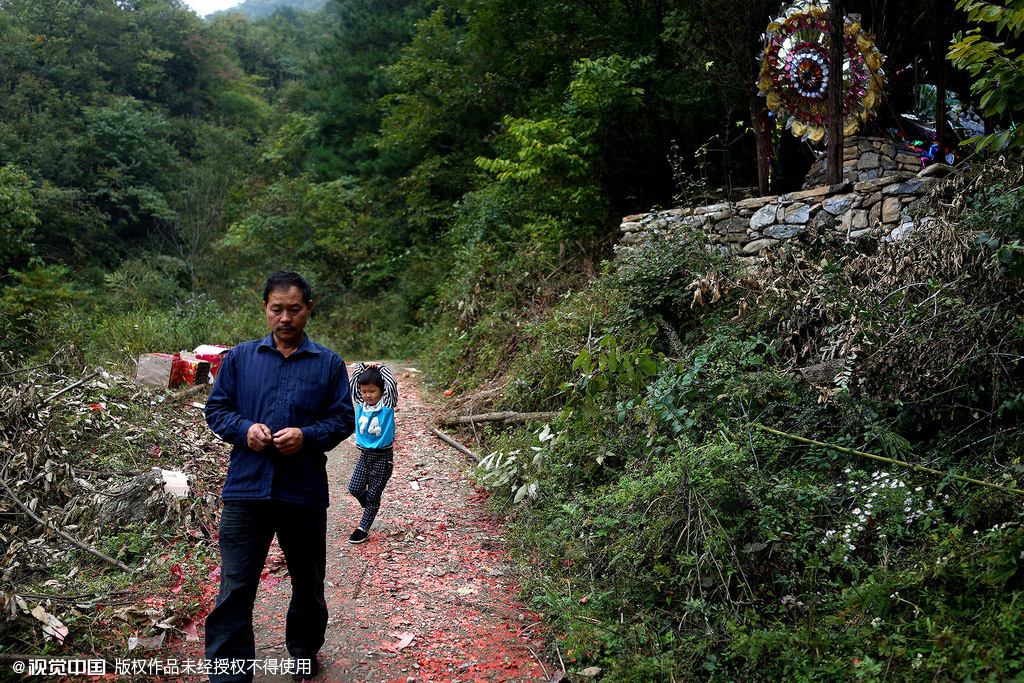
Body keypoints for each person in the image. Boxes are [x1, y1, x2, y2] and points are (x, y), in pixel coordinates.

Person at [203, 271, 355, 683]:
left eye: (293, 309)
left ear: (308, 309)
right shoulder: (239, 358)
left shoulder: (328, 364)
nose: (285, 318)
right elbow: (216, 409)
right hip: (246, 490)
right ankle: (229, 673)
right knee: (235, 587)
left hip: (302, 492)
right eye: (277, 309)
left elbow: (343, 419)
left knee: (307, 583)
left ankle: (304, 653)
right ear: (265, 310)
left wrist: (307, 436)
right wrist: (244, 429)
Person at [346, 362, 398, 544]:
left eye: (372, 391)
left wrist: (382, 368)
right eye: (365, 391)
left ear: (382, 392)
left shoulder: (387, 404)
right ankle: (369, 503)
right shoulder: (360, 403)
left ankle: (363, 528)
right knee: (354, 488)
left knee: (374, 495)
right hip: (364, 456)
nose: (368, 395)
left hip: (383, 458)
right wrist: (361, 367)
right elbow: (353, 384)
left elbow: (391, 384)